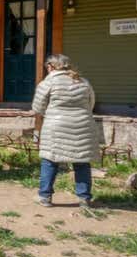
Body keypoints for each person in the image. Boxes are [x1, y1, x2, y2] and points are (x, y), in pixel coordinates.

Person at [32, 54, 99, 208]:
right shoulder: (83, 82)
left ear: (51, 66)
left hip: (56, 127)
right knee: (81, 162)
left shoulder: (48, 82)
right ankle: (84, 199)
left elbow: (38, 108)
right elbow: (91, 103)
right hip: (83, 126)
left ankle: (45, 197)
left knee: (50, 160)